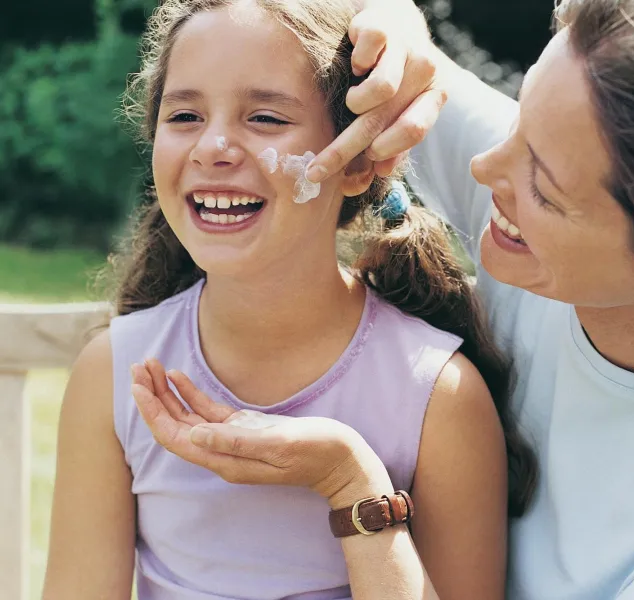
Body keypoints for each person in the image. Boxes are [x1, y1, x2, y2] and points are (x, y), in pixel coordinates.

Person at [128, 0, 634, 598]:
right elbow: (350, 32)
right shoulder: (571, 151)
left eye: (542, 186)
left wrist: (357, 491)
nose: (483, 169)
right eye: (518, 123)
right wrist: (396, 27)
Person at [41, 1, 537, 598]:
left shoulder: (439, 398)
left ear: (359, 162)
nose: (213, 147)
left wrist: (353, 487)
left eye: (267, 118)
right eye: (185, 115)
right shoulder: (113, 374)